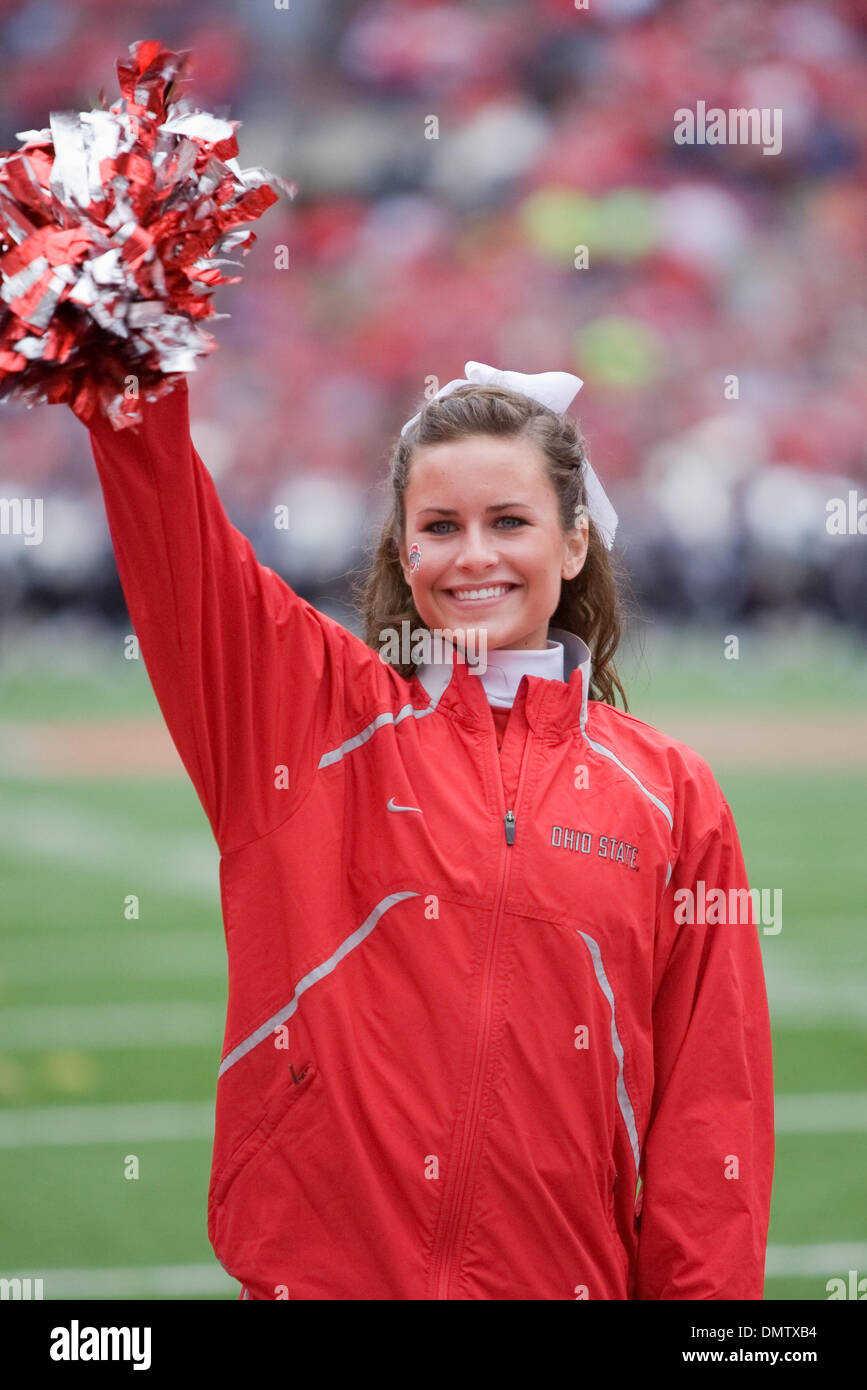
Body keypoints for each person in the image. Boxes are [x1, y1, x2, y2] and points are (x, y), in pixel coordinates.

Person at [70, 359, 773, 1300]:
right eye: (440, 527)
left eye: (509, 522)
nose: (473, 556)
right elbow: (181, 552)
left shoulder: (674, 797)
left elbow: (710, 1115)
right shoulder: (309, 722)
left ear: (573, 545)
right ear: (405, 555)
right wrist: (130, 382)